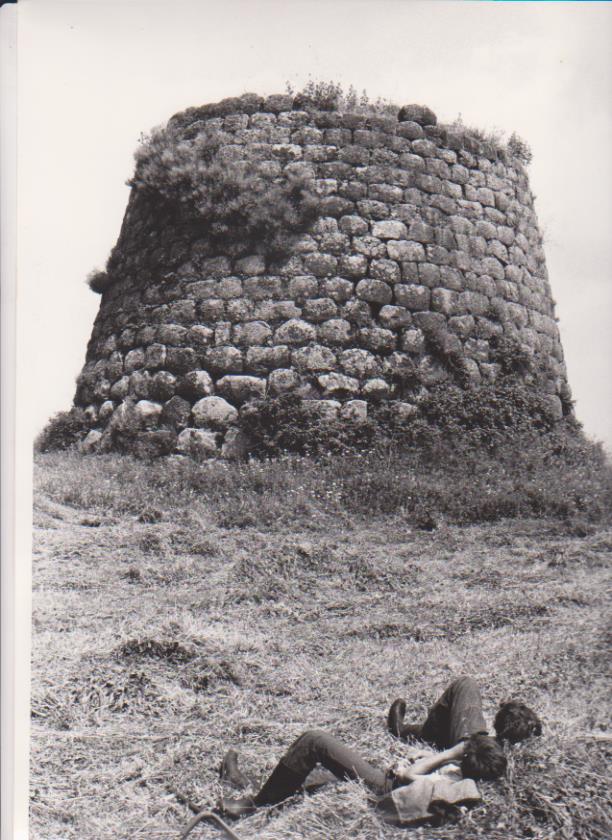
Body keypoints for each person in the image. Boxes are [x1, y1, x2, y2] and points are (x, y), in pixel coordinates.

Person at [219, 676, 541, 820]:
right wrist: (454, 752)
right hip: (454, 758)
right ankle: (405, 730)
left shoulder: (460, 774)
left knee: (314, 742)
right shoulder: (493, 759)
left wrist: (448, 754)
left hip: (387, 785)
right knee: (465, 685)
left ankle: (254, 804)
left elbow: (408, 777)